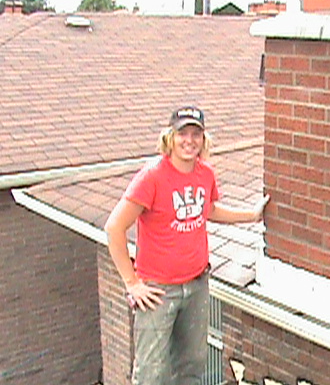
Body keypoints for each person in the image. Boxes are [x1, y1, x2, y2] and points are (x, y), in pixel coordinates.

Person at [105, 105, 269, 385]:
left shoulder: (204, 174)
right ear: (170, 137)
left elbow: (208, 210)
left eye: (196, 134)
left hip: (196, 286)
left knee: (191, 367)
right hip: (157, 292)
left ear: (204, 139)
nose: (189, 140)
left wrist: (251, 216)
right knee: (151, 374)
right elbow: (114, 228)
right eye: (183, 134)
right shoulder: (152, 176)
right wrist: (132, 283)